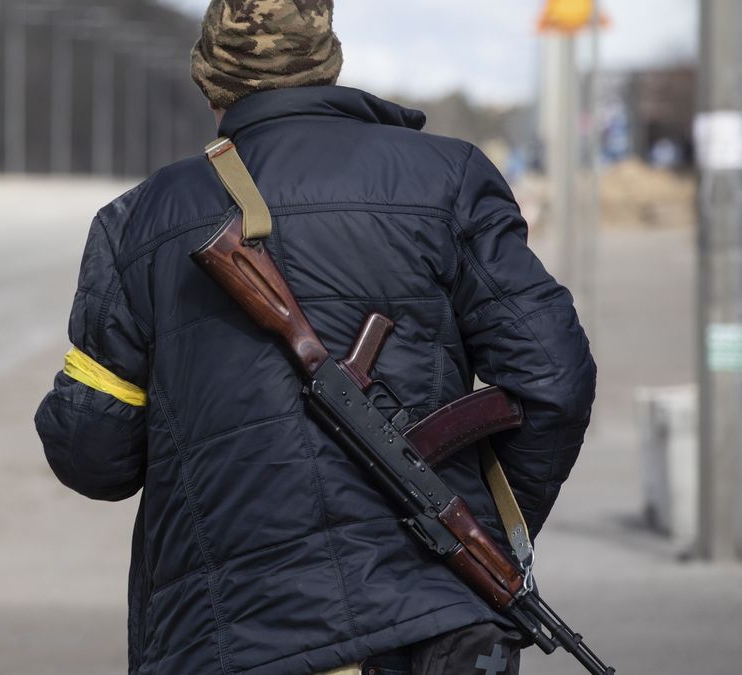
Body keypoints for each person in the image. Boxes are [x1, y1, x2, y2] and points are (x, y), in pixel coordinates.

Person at [34, 1, 596, 673]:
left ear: (211, 82)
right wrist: (468, 527)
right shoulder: (447, 177)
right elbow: (554, 376)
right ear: (328, 62)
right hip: (427, 625)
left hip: (226, 635)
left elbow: (92, 453)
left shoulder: (138, 220)